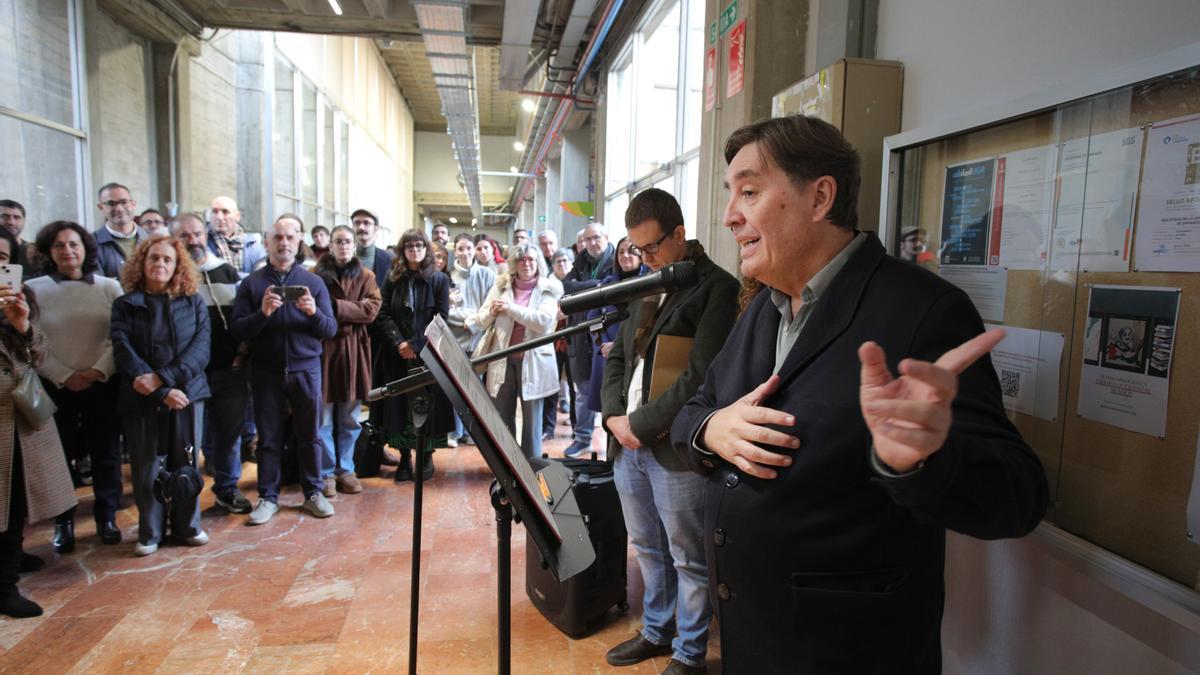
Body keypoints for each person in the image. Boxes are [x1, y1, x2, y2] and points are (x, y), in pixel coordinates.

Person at [671, 115, 1049, 671]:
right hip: (753, 639)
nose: (729, 215)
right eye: (732, 195)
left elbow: (1019, 500)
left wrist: (920, 459)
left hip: (848, 651)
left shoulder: (922, 311)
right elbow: (691, 417)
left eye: (748, 191)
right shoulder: (765, 311)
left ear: (820, 196)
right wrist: (712, 430)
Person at [600, 189, 739, 673]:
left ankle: (689, 651)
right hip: (628, 444)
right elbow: (618, 356)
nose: (644, 258)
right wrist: (614, 419)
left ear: (680, 234)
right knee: (648, 548)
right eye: (636, 250)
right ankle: (658, 631)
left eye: (652, 247)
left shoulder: (717, 288)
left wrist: (639, 424)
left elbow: (700, 375)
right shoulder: (649, 282)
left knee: (688, 555)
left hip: (673, 448)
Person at [231, 214, 338, 525]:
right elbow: (238, 330)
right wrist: (262, 314)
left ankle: (313, 492)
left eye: (290, 237)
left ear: (299, 242)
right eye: (278, 237)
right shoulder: (252, 284)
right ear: (267, 242)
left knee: (310, 434)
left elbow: (330, 329)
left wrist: (314, 313)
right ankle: (268, 496)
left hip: (306, 369)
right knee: (268, 437)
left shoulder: (314, 282)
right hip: (266, 370)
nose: (284, 243)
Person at [111, 237, 212, 556]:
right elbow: (123, 351)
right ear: (141, 262)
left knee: (187, 461)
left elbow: (200, 350)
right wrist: (161, 390)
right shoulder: (124, 304)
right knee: (146, 466)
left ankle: (187, 526)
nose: (160, 265)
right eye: (154, 258)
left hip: (188, 394)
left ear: (178, 265)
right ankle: (150, 532)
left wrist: (166, 382)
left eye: (168, 260)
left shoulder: (193, 301)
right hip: (143, 397)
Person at [27, 222, 125, 552]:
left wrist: (98, 370)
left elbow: (121, 336)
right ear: (48, 252)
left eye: (74, 244)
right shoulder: (33, 289)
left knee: (106, 453)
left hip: (102, 382)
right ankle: (64, 522)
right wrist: (63, 374)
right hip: (55, 385)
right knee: (60, 456)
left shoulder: (109, 286)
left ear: (85, 248)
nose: (68, 251)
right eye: (59, 246)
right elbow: (29, 339)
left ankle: (107, 517)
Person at [0, 254, 77, 618]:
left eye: (2, 257)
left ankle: (6, 585)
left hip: (18, 416)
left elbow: (40, 353)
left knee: (13, 503)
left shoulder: (20, 297)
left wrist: (22, 327)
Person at [173, 213, 252, 514]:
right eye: (184, 236)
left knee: (229, 434)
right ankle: (185, 496)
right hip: (189, 375)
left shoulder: (227, 272)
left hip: (229, 369)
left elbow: (242, 319)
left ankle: (227, 488)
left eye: (196, 234)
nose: (192, 240)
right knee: (189, 439)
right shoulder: (172, 277)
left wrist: (242, 352)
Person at [373, 229, 451, 482]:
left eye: (419, 245)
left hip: (427, 353)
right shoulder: (392, 277)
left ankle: (426, 456)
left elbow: (441, 318)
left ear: (426, 249)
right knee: (399, 408)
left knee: (426, 405)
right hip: (396, 355)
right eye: (409, 246)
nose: (414, 250)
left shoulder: (438, 279)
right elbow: (382, 313)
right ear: (402, 250)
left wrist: (415, 344)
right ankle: (404, 458)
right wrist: (399, 342)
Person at [474, 243, 562, 460]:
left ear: (538, 262)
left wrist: (509, 309)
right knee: (503, 417)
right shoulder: (502, 285)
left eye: (531, 259)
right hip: (502, 360)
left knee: (532, 421)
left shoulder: (548, 288)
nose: (526, 264)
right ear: (514, 263)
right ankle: (507, 465)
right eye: (521, 260)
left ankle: (531, 471)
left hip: (533, 362)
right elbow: (480, 318)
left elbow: (543, 321)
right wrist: (492, 312)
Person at [315, 225, 381, 496]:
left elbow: (371, 310)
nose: (343, 246)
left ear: (354, 246)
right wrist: (347, 310)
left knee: (351, 417)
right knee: (324, 418)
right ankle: (327, 473)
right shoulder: (315, 276)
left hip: (354, 351)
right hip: (324, 351)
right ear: (330, 246)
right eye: (338, 241)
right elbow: (311, 310)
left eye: (347, 242)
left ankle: (346, 468)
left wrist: (334, 308)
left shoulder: (366, 275)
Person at [560, 222, 614, 457]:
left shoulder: (616, 259)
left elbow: (613, 288)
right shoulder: (581, 260)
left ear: (606, 237)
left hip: (608, 333)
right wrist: (596, 286)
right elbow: (568, 286)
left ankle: (614, 440)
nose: (592, 243)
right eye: (588, 239)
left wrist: (586, 290)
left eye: (596, 238)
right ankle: (582, 438)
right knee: (582, 391)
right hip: (581, 335)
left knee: (612, 390)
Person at [585, 236, 645, 418]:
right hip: (607, 356)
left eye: (631, 251)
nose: (625, 256)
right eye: (620, 252)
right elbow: (592, 318)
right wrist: (601, 343)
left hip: (637, 357)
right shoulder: (606, 284)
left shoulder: (651, 283)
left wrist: (618, 345)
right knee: (610, 413)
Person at [446, 233, 495, 446]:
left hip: (481, 339)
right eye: (460, 249)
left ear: (474, 249)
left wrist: (474, 321)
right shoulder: (447, 277)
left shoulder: (487, 274)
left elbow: (491, 307)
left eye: (469, 248)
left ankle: (473, 432)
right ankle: (454, 432)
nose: (465, 253)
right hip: (456, 339)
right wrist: (472, 317)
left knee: (477, 388)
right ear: (454, 251)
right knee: (456, 385)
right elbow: (445, 311)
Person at [544, 248, 575, 439]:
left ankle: (577, 429)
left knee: (574, 387)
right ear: (553, 265)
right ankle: (548, 429)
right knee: (551, 386)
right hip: (552, 341)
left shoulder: (576, 281)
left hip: (573, 341)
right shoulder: (547, 284)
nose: (562, 264)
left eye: (565, 260)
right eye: (558, 261)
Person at [94, 183, 150, 278]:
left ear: (133, 204)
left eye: (124, 202)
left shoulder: (152, 240)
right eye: (111, 204)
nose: (119, 208)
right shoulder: (92, 243)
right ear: (101, 208)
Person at [207, 196, 267, 276]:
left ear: (237, 216)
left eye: (225, 212)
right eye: (215, 211)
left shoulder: (253, 246)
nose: (219, 217)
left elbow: (262, 277)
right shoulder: (202, 244)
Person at [0, 199, 39, 275]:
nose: (11, 222)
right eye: (5, 216)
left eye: (17, 217)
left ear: (24, 221)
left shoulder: (36, 251)